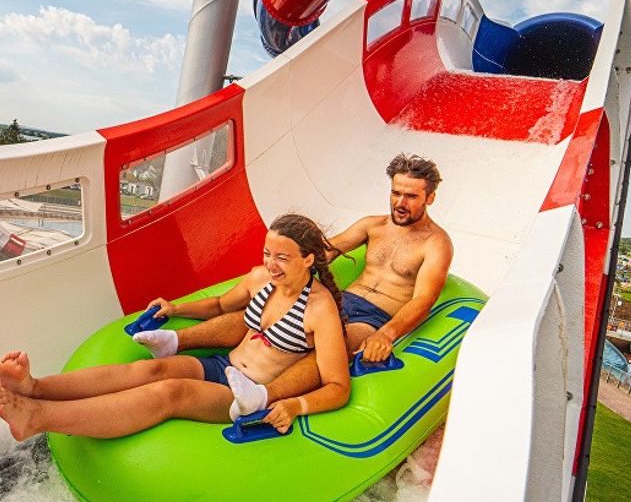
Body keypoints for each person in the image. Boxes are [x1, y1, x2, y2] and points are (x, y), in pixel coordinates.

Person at [134, 153, 452, 422]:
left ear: (430, 198)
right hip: (344, 299)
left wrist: (386, 335)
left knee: (336, 343)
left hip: (373, 318)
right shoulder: (374, 225)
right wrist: (286, 272)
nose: (400, 202)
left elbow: (423, 299)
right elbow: (326, 250)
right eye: (396, 193)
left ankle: (264, 395)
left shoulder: (436, 244)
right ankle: (176, 340)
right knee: (262, 315)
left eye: (411, 196)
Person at [0, 214, 350, 440]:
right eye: (267, 254)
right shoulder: (260, 279)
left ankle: (37, 417)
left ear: (308, 259)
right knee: (149, 369)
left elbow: (337, 387)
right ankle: (36, 387)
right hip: (222, 365)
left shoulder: (320, 310)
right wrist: (176, 307)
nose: (271, 264)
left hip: (250, 394)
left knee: (170, 392)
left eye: (282, 258)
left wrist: (296, 405)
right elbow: (221, 305)